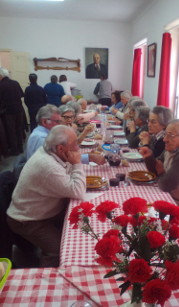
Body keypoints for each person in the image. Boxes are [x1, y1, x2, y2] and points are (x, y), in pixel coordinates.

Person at [7, 125, 86, 267]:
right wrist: (77, 164)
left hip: (43, 210)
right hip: (28, 220)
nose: (78, 147)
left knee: (82, 221)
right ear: (61, 149)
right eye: (74, 144)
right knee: (60, 251)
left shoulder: (48, 151)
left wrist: (75, 163)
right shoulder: (49, 167)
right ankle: (50, 278)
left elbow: (67, 171)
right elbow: (78, 191)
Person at [26, 104, 105, 165]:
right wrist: (89, 157)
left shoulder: (43, 133)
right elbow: (59, 161)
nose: (60, 124)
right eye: (57, 121)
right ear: (45, 122)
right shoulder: (43, 138)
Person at [0, 67, 25, 155]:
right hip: (19, 110)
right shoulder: (15, 83)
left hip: (8, 111)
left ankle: (15, 150)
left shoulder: (1, 85)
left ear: (1, 75)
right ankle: (21, 148)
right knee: (19, 129)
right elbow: (22, 95)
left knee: (11, 131)